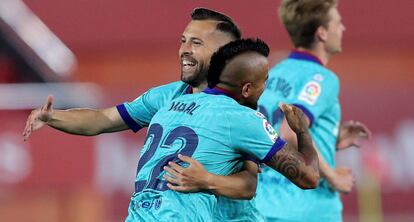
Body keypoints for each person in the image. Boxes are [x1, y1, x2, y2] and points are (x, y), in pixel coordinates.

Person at [22, 8, 264, 221]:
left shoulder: (238, 109)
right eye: (183, 41)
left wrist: (205, 180)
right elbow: (104, 119)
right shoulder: (166, 96)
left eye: (196, 43)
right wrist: (53, 117)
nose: (184, 50)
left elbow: (248, 184)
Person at [126, 38, 319, 221]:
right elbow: (309, 177)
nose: (265, 88)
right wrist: (302, 130)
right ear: (246, 89)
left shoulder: (170, 106)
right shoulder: (243, 119)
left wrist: (210, 178)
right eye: (265, 81)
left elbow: (247, 185)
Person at [253, 0, 371, 221]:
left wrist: (330, 141)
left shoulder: (273, 74)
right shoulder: (322, 78)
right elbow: (289, 131)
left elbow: (272, 135)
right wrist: (333, 176)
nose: (342, 28)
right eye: (338, 22)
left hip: (265, 204)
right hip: (306, 208)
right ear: (322, 33)